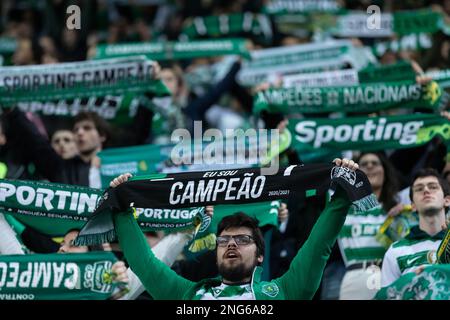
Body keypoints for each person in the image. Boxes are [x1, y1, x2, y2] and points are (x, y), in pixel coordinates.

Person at [107, 158, 358, 300]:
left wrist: (343, 195)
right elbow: (144, 264)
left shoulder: (284, 292)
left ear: (261, 256)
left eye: (242, 239)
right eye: (224, 240)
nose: (231, 244)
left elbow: (318, 247)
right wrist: (121, 209)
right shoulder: (187, 294)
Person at [338, 152, 401, 299]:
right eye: (364, 164)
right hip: (356, 278)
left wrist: (403, 217)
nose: (370, 166)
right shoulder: (344, 207)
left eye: (375, 163)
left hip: (390, 275)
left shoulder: (397, 208)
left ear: (385, 171)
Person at [380, 168, 450, 287]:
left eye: (433, 187)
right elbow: (388, 294)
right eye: (419, 189)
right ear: (412, 206)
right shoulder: (395, 250)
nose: (426, 190)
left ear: (447, 200)